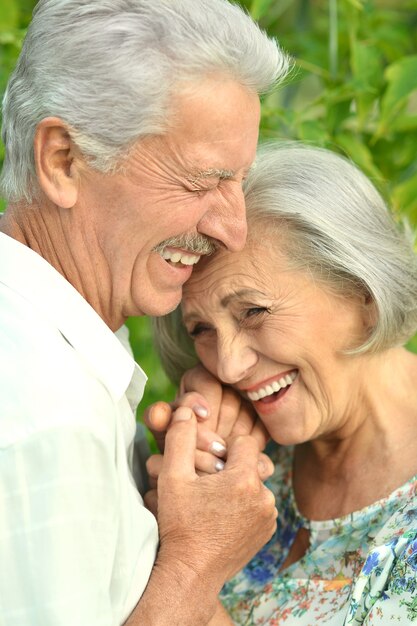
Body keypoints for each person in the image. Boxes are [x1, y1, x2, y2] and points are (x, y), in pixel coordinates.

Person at [0, 1, 291, 624]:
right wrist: (198, 558)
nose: (233, 229)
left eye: (238, 180)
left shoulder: (52, 355)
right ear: (63, 161)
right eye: (198, 181)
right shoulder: (47, 417)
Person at [152, 143, 417, 625]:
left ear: (361, 290)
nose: (228, 366)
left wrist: (191, 563)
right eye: (201, 330)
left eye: (253, 311)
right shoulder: (243, 456)